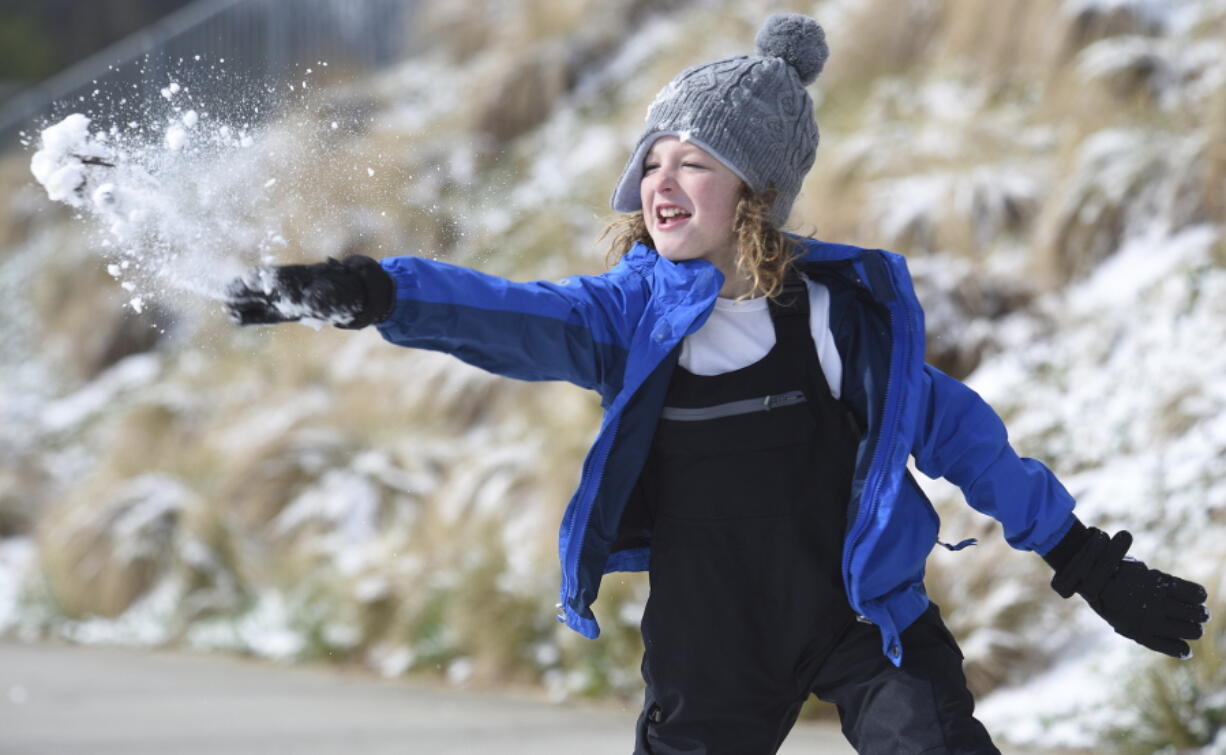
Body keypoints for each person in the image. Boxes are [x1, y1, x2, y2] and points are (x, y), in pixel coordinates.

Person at [224, 14, 1209, 755]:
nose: (661, 179)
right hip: (709, 643)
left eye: (694, 161)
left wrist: (1087, 561)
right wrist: (375, 290)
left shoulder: (836, 322)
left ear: (758, 191)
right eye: (651, 160)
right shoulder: (624, 320)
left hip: (864, 624)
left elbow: (969, 444)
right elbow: (507, 315)